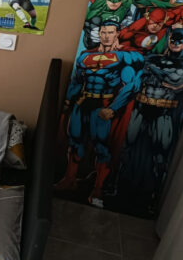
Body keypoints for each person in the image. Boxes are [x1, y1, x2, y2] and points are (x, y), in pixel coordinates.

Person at [55, 22, 145, 207]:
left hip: (103, 106)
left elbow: (131, 85)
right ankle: (69, 179)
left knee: (102, 147)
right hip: (83, 103)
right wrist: (68, 101)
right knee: (75, 142)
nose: (106, 36)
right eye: (103, 32)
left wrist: (113, 108)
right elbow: (77, 81)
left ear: (117, 34)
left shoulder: (124, 57)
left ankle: (97, 189)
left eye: (110, 32)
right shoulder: (85, 56)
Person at [118, 27, 183, 216]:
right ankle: (117, 186)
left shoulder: (170, 64)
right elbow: (133, 76)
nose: (176, 43)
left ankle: (152, 198)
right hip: (141, 106)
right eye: (174, 39)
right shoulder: (152, 58)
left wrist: (152, 69)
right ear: (169, 38)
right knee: (127, 146)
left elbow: (173, 82)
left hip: (164, 111)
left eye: (180, 41)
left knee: (160, 155)